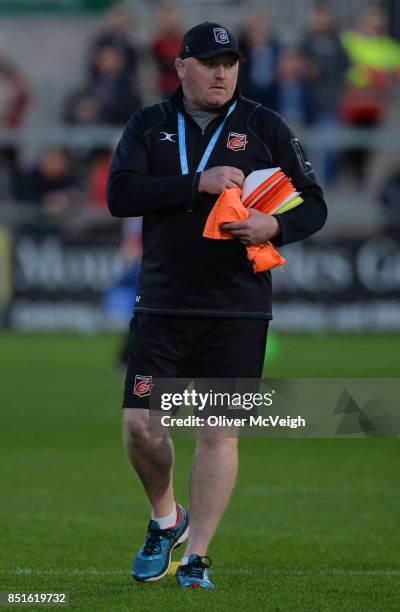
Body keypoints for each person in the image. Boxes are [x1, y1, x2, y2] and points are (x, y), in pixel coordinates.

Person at [107, 22, 327, 590]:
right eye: (209, 62)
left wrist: (273, 223)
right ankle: (166, 518)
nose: (223, 72)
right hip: (163, 303)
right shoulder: (149, 124)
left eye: (230, 61)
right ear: (181, 67)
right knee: (140, 427)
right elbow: (120, 195)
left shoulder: (264, 124)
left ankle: (197, 557)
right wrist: (195, 183)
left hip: (238, 307)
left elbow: (315, 205)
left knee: (217, 431)